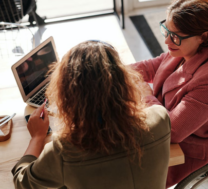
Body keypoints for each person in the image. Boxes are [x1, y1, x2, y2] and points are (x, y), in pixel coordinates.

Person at [11, 40, 171, 189]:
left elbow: (22, 182)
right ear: (124, 81)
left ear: (68, 95)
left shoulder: (65, 151)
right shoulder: (160, 118)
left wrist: (37, 137)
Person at [131, 0, 208, 188]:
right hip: (177, 121)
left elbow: (171, 132)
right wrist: (110, 71)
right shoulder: (186, 47)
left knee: (130, 167)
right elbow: (153, 66)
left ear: (204, 36)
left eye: (174, 36)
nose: (167, 40)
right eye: (166, 30)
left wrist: (146, 95)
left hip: (194, 145)